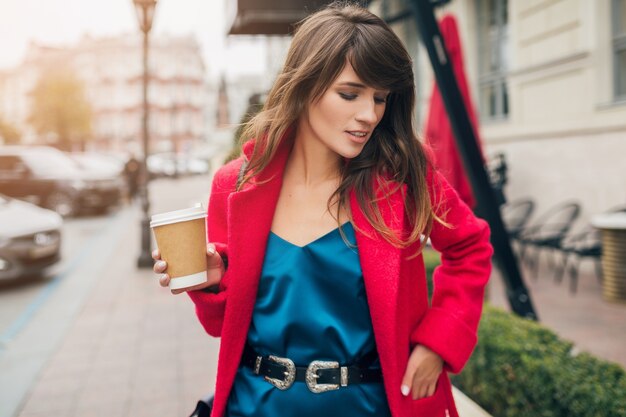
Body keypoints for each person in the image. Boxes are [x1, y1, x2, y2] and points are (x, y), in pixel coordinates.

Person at [153, 3, 493, 417]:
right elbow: (220, 327)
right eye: (349, 94)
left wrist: (437, 343)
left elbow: (470, 246)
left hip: (369, 405)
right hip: (255, 403)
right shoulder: (236, 184)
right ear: (305, 84)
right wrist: (212, 283)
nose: (369, 115)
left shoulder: (402, 175)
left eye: (381, 98)